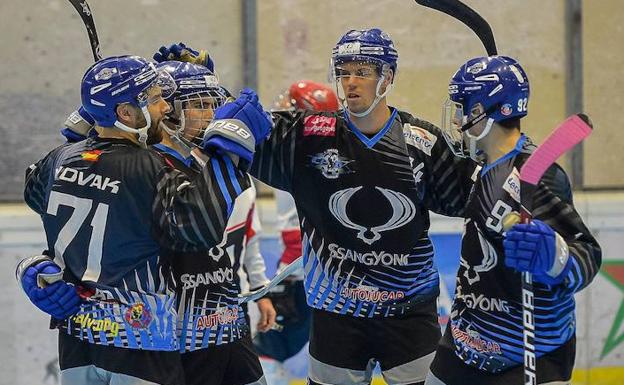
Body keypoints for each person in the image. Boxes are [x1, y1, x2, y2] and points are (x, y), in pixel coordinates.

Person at [156, 28, 477, 384]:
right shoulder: (306, 136)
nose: (350, 82)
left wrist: (496, 146)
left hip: (410, 313)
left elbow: (481, 194)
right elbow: (234, 131)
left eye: (363, 72)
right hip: (336, 315)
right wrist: (189, 91)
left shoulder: (421, 142)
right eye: (343, 72)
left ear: (387, 77)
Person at [17, 54, 272, 385]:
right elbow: (200, 227)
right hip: (144, 336)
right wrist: (230, 153)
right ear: (125, 112)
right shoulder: (151, 167)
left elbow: (38, 194)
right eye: (157, 99)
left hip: (85, 337)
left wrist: (91, 126)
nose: (164, 108)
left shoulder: (61, 157)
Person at [424, 56, 602, 385]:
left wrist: (554, 256)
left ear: (480, 113)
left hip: (527, 355)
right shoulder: (482, 165)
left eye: (464, 107)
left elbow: (587, 254)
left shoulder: (536, 175)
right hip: (463, 344)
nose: (460, 117)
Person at [154, 60, 273, 385]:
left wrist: (260, 289)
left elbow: (245, 232)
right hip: (181, 333)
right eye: (198, 105)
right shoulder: (151, 167)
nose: (210, 114)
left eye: (213, 105)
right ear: (169, 111)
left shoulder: (221, 164)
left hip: (231, 322)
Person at [253, 80, 339, 385]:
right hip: (326, 274)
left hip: (297, 272)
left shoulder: (289, 153)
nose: (281, 113)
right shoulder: (334, 157)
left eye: (290, 107)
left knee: (269, 351)